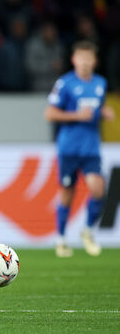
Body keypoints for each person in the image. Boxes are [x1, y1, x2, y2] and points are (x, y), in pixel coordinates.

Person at [44, 40, 115, 258]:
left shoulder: (100, 83)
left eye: (89, 59)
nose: (84, 62)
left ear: (95, 61)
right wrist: (77, 115)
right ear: (74, 60)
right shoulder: (65, 83)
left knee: (98, 190)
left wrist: (103, 112)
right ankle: (61, 238)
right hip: (69, 148)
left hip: (91, 148)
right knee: (67, 192)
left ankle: (87, 231)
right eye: (81, 58)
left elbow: (96, 106)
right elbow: (50, 114)